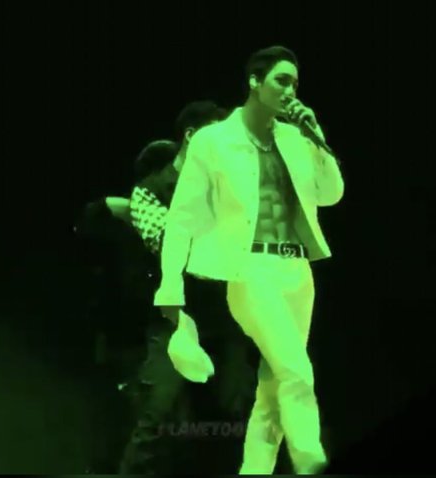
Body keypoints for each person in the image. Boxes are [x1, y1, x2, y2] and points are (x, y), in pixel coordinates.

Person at [154, 46, 345, 475]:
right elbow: (182, 217)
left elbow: (331, 194)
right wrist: (170, 285)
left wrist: (317, 135)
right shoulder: (214, 140)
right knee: (296, 372)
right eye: (281, 80)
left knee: (272, 387)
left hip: (298, 270)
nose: (290, 90)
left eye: (295, 82)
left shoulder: (295, 139)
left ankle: (254, 471)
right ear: (255, 82)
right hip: (251, 270)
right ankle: (313, 464)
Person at [119, 101, 265, 475]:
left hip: (226, 320)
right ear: (191, 136)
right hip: (175, 321)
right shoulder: (149, 191)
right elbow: (177, 248)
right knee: (158, 414)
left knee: (238, 415)